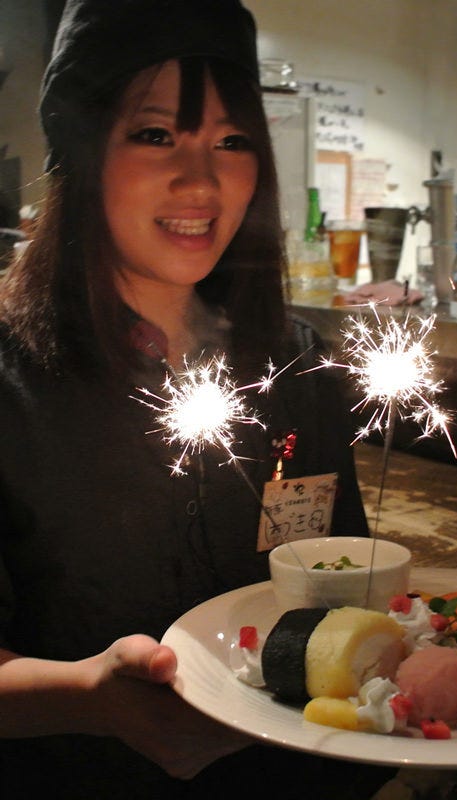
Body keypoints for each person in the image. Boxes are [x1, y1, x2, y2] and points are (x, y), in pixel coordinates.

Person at [0, 1, 395, 796]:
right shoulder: (13, 381)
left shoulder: (296, 366)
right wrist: (89, 699)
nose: (202, 180)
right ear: (82, 149)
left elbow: (336, 575)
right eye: (155, 134)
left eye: (232, 141)